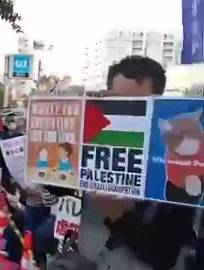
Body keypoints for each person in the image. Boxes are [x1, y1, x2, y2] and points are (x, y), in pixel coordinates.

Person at [78, 56, 196, 270]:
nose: (130, 115)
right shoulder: (90, 148)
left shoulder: (179, 165)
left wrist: (119, 217)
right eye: (120, 104)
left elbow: (165, 255)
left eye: (141, 105)